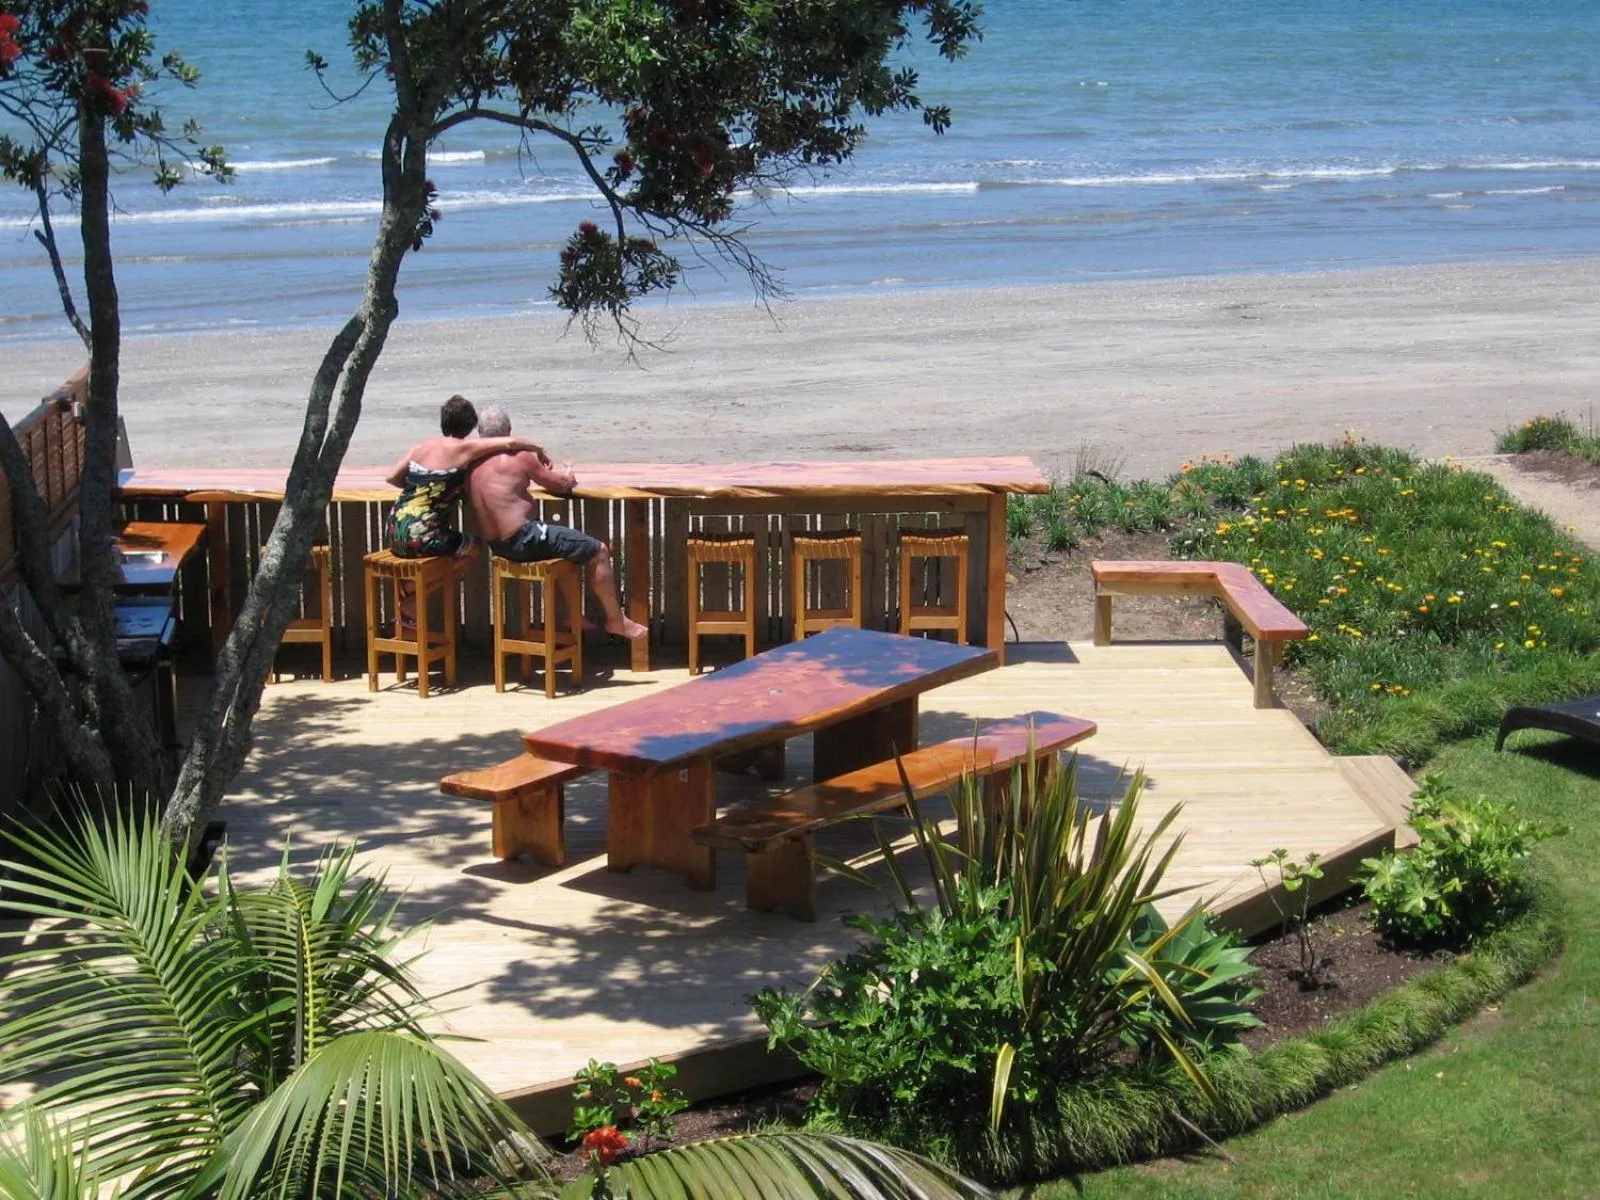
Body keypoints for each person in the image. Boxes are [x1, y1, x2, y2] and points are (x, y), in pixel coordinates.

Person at [468, 405, 647, 641]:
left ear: (480, 433)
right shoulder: (519, 457)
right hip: (524, 538)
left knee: (566, 549)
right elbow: (561, 485)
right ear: (509, 431)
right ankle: (616, 620)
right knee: (599, 551)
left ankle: (574, 616)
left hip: (499, 546)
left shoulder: (470, 463)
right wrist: (568, 473)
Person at [382, 394, 547, 561]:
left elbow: (392, 477)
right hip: (420, 536)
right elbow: (509, 443)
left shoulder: (422, 446)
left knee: (447, 549)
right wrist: (538, 448)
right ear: (470, 425)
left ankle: (427, 578)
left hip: (393, 530)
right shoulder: (463, 448)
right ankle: (435, 579)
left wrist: (424, 489)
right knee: (474, 546)